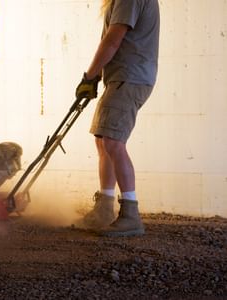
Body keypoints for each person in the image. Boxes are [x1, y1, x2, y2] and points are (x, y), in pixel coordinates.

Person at [75, 0, 160, 236]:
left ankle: (131, 215)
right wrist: (97, 76)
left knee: (113, 141)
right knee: (103, 140)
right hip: (121, 77)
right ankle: (104, 207)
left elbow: (113, 39)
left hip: (129, 77)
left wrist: (89, 76)